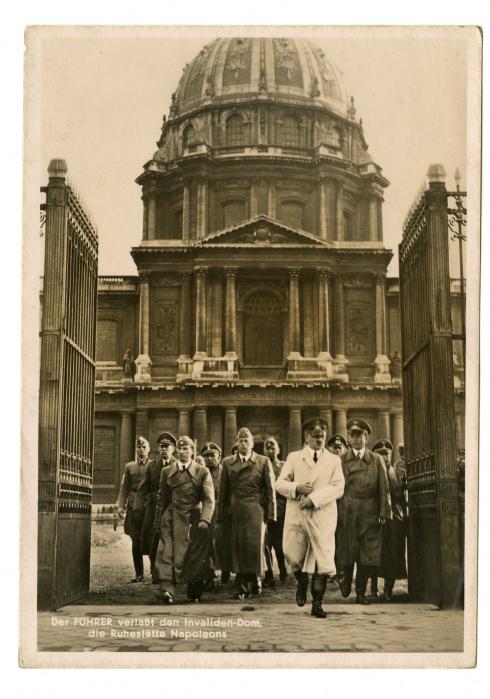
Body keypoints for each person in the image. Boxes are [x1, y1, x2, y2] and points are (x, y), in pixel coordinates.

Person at [276, 417, 345, 619]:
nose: (319, 438)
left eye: (322, 435)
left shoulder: (333, 460)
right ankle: (301, 582)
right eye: (315, 435)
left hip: (322, 514)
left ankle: (317, 603)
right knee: (292, 555)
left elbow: (338, 487)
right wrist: (296, 488)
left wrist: (314, 499)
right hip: (297, 514)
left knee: (320, 560)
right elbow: (279, 483)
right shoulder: (294, 457)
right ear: (306, 437)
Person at [153, 435, 215, 604]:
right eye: (179, 449)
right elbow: (162, 499)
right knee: (166, 553)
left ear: (192, 451)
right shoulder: (167, 472)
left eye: (185, 449)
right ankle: (167, 590)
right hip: (171, 519)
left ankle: (194, 591)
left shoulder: (202, 472)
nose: (182, 452)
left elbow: (209, 499)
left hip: (193, 520)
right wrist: (158, 521)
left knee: (193, 556)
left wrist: (205, 519)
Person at [335, 419, 391, 604]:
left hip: (370, 512)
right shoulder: (340, 460)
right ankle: (345, 581)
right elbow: (334, 487)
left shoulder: (377, 460)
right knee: (348, 551)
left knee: (367, 555)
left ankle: (360, 593)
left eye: (360, 434)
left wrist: (384, 513)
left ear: (367, 437)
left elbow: (384, 488)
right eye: (353, 434)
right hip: (347, 511)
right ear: (349, 438)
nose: (356, 438)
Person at [219, 427, 277, 599]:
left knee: (255, 546)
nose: (243, 444)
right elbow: (223, 491)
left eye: (247, 441)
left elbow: (270, 490)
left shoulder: (263, 461)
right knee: (237, 547)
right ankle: (242, 586)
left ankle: (256, 578)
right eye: (241, 441)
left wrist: (271, 515)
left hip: (256, 509)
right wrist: (221, 514)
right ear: (236, 443)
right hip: (236, 508)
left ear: (252, 444)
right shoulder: (227, 462)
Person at [138, 431, 177, 584]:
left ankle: (170, 572)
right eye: (161, 447)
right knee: (152, 538)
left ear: (173, 448)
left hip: (171, 506)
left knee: (171, 538)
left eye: (166, 447)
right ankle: (155, 572)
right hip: (154, 507)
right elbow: (144, 487)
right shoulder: (152, 466)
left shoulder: (177, 465)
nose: (163, 450)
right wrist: (142, 506)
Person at [373, 439, 408, 601]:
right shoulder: (371, 472)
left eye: (386, 454)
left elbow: (400, 496)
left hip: (394, 518)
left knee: (393, 554)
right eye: (380, 454)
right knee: (372, 553)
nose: (384, 457)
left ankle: (388, 588)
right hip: (375, 517)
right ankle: (372, 584)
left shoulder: (396, 471)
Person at [116, 436, 152, 582]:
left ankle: (155, 573)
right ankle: (139, 574)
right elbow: (124, 488)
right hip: (133, 507)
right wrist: (120, 506)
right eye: (138, 447)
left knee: (150, 539)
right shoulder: (129, 466)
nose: (141, 450)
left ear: (148, 449)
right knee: (135, 540)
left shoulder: (154, 466)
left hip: (148, 507)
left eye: (144, 447)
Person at [199, 441, 230, 588]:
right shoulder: (200, 472)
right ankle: (209, 575)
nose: (209, 459)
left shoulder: (226, 471)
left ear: (219, 456)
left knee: (223, 543)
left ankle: (225, 570)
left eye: (212, 455)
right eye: (206, 456)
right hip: (206, 512)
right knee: (207, 544)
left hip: (223, 512)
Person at [262, 437, 288, 587]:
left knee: (279, 543)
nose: (270, 450)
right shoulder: (260, 466)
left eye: (273, 448)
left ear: (278, 449)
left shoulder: (284, 466)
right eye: (267, 448)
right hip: (266, 508)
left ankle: (283, 569)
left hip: (282, 509)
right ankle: (269, 574)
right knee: (266, 543)